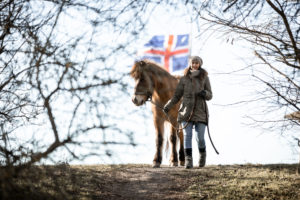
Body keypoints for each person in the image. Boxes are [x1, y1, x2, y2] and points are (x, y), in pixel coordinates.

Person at [163, 56, 213, 169]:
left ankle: (202, 156)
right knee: (187, 135)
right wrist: (167, 106)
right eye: (193, 63)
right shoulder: (184, 79)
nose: (194, 65)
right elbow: (176, 96)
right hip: (186, 112)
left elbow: (210, 95)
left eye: (197, 63)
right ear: (190, 64)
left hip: (201, 111)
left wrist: (205, 93)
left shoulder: (205, 78)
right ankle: (188, 161)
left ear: (200, 64)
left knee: (200, 137)